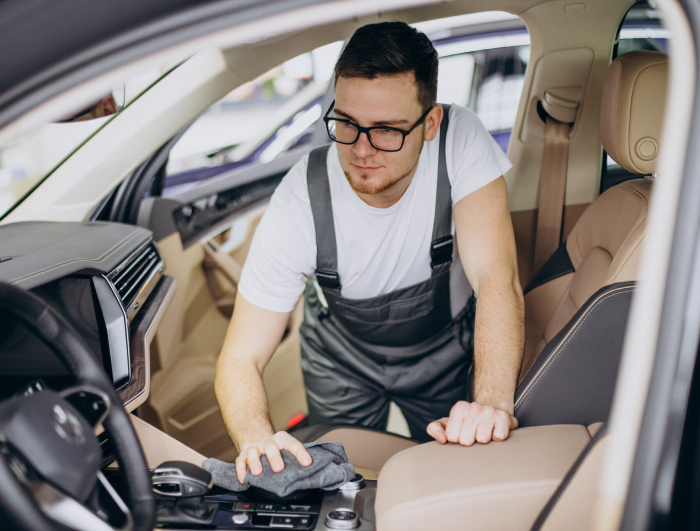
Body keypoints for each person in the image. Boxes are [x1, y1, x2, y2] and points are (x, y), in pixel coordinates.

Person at [215, 21, 524, 482]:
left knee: (456, 470)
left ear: (431, 124)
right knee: (340, 476)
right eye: (347, 124)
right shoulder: (301, 195)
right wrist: (257, 438)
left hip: (443, 348)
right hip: (340, 358)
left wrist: (490, 405)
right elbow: (240, 356)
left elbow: (498, 280)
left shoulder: (460, 140)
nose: (361, 150)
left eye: (387, 130)